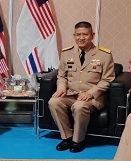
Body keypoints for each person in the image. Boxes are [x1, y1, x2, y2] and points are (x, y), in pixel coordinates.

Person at [48, 21, 115, 153]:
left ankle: (78, 141)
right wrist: (61, 88)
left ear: (92, 35)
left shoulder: (104, 55)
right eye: (78, 34)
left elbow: (107, 80)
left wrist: (90, 93)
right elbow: (62, 76)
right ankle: (67, 137)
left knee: (79, 106)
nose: (81, 38)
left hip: (92, 98)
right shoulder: (67, 53)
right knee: (53, 102)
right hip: (71, 94)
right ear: (74, 36)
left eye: (85, 34)